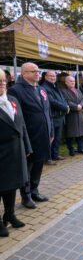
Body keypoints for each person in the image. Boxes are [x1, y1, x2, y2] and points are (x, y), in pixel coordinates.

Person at [8, 62, 53, 209]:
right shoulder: (16, 90)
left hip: (43, 134)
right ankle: (26, 196)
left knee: (39, 163)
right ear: (24, 73)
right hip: (29, 136)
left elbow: (47, 112)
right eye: (33, 71)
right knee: (27, 167)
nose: (37, 73)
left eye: (38, 71)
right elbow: (17, 117)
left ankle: (34, 191)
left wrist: (51, 131)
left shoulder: (41, 89)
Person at [0, 69, 32, 236]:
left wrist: (27, 146)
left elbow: (22, 125)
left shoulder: (12, 100)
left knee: (12, 185)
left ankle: (10, 214)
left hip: (16, 150)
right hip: (1, 153)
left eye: (4, 80)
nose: (3, 84)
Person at [42, 70, 69, 163]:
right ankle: (48, 158)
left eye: (54, 76)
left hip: (59, 116)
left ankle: (55, 154)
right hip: (52, 116)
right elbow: (52, 101)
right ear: (45, 77)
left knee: (57, 137)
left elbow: (62, 99)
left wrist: (66, 106)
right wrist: (65, 108)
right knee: (51, 138)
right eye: (50, 76)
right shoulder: (44, 87)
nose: (53, 78)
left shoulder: (55, 86)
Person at [61, 76, 83, 156]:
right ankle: (71, 149)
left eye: (73, 81)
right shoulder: (63, 91)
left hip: (79, 114)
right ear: (66, 82)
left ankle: (80, 147)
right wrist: (75, 107)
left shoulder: (77, 90)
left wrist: (81, 105)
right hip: (70, 115)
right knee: (70, 133)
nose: (73, 82)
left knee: (80, 132)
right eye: (70, 81)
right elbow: (66, 101)